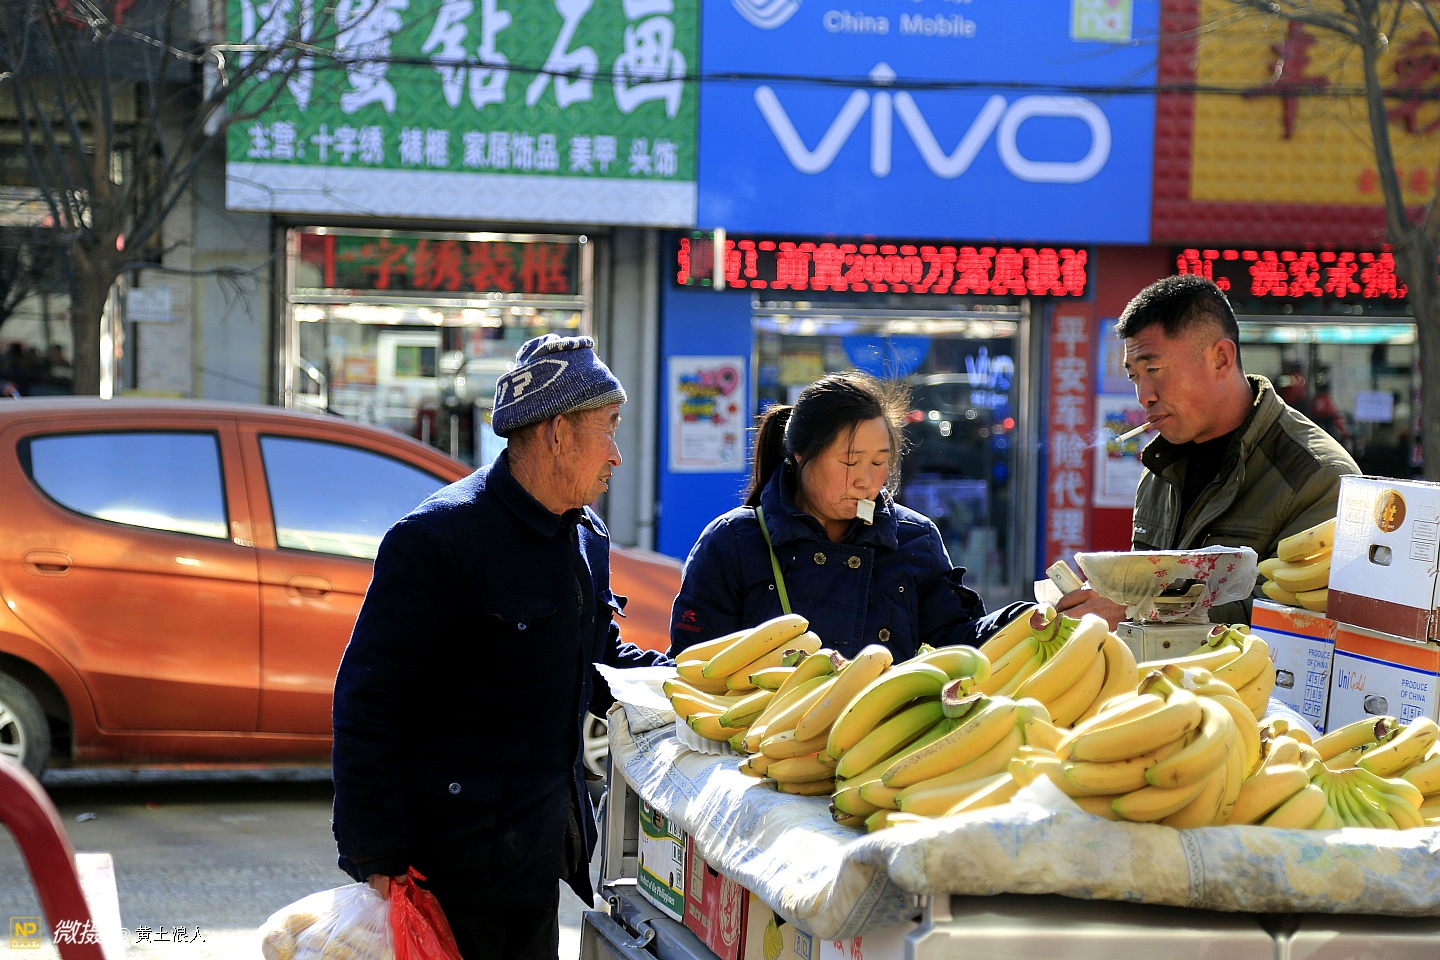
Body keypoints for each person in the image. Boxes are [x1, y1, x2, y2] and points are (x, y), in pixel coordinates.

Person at [331, 334, 670, 960]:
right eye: (608, 429)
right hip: (443, 866)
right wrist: (377, 854)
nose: (617, 455)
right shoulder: (439, 540)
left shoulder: (583, 537)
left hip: (534, 856)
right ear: (559, 432)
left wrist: (691, 684)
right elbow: (369, 701)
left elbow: (599, 660)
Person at [1057, 275, 1360, 628]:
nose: (1144, 396)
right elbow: (1145, 586)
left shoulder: (1317, 475)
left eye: (1154, 370)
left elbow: (1293, 619)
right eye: (1135, 377)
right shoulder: (1160, 469)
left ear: (1220, 359)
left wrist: (1135, 608)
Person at [669, 371, 1026, 661]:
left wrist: (1027, 618)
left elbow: (956, 645)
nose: (865, 480)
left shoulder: (915, 538)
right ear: (800, 455)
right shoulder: (732, 542)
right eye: (850, 462)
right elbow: (696, 667)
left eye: (879, 461)